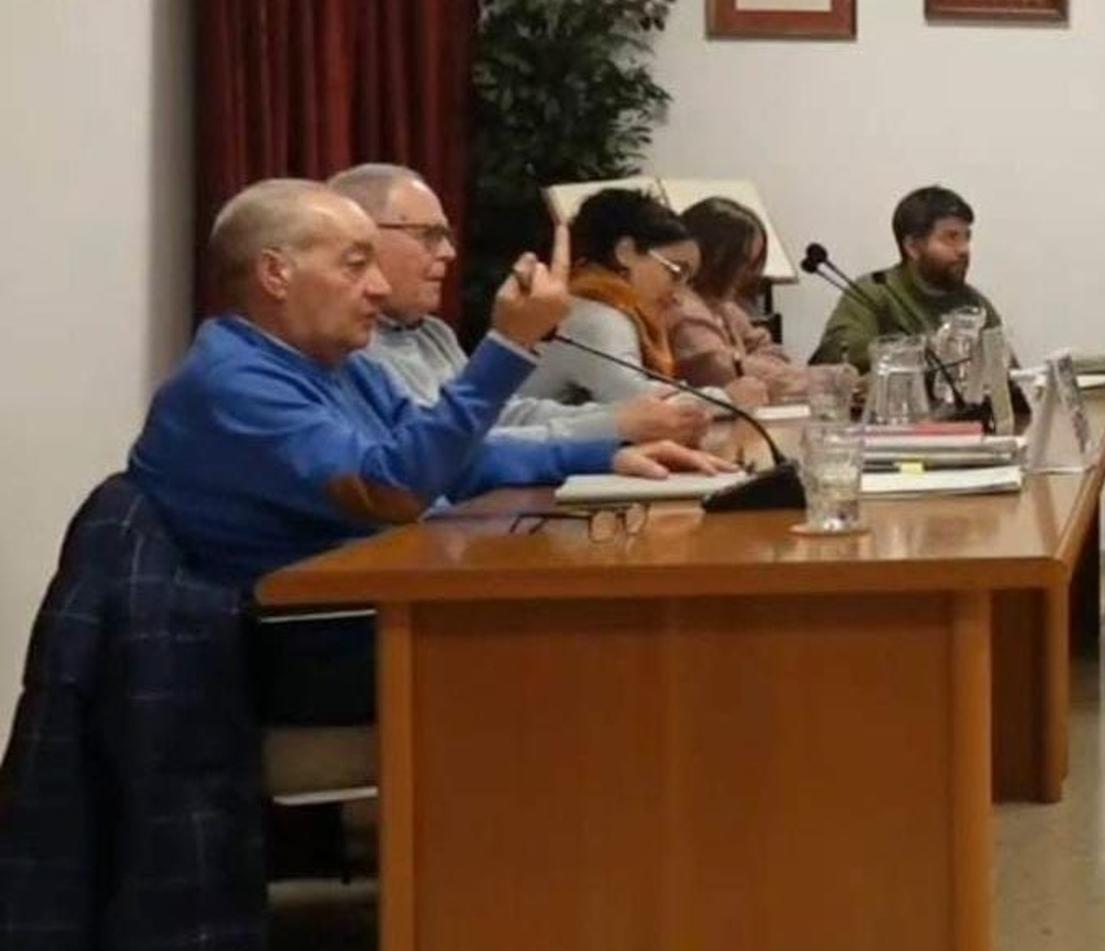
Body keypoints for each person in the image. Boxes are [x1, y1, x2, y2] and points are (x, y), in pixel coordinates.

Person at [127, 179, 730, 725]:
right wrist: (509, 345)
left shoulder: (337, 364)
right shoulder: (232, 384)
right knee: (621, 647)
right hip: (313, 643)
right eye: (355, 265)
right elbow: (390, 489)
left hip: (385, 610)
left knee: (638, 623)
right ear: (275, 273)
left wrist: (607, 456)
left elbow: (453, 459)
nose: (379, 287)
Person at [327, 163, 710, 446]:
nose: (448, 252)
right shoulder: (344, 343)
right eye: (428, 236)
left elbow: (497, 414)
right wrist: (613, 428)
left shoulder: (432, 333)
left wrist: (616, 423)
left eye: (446, 235)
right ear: (359, 238)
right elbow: (440, 450)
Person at [517, 188, 769, 408]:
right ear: (625, 252)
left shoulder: (597, 305)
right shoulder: (597, 316)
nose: (680, 295)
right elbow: (636, 402)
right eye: (675, 272)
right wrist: (727, 399)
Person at [809, 185, 1003, 373]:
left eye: (966, 237)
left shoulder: (974, 304)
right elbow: (837, 351)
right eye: (951, 238)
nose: (963, 249)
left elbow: (1006, 373)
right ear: (912, 247)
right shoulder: (875, 291)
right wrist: (925, 349)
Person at [669, 196, 825, 402]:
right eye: (742, 261)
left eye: (755, 261)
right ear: (711, 255)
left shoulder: (724, 306)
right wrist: (824, 380)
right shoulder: (683, 307)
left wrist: (752, 365)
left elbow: (770, 351)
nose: (750, 273)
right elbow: (723, 372)